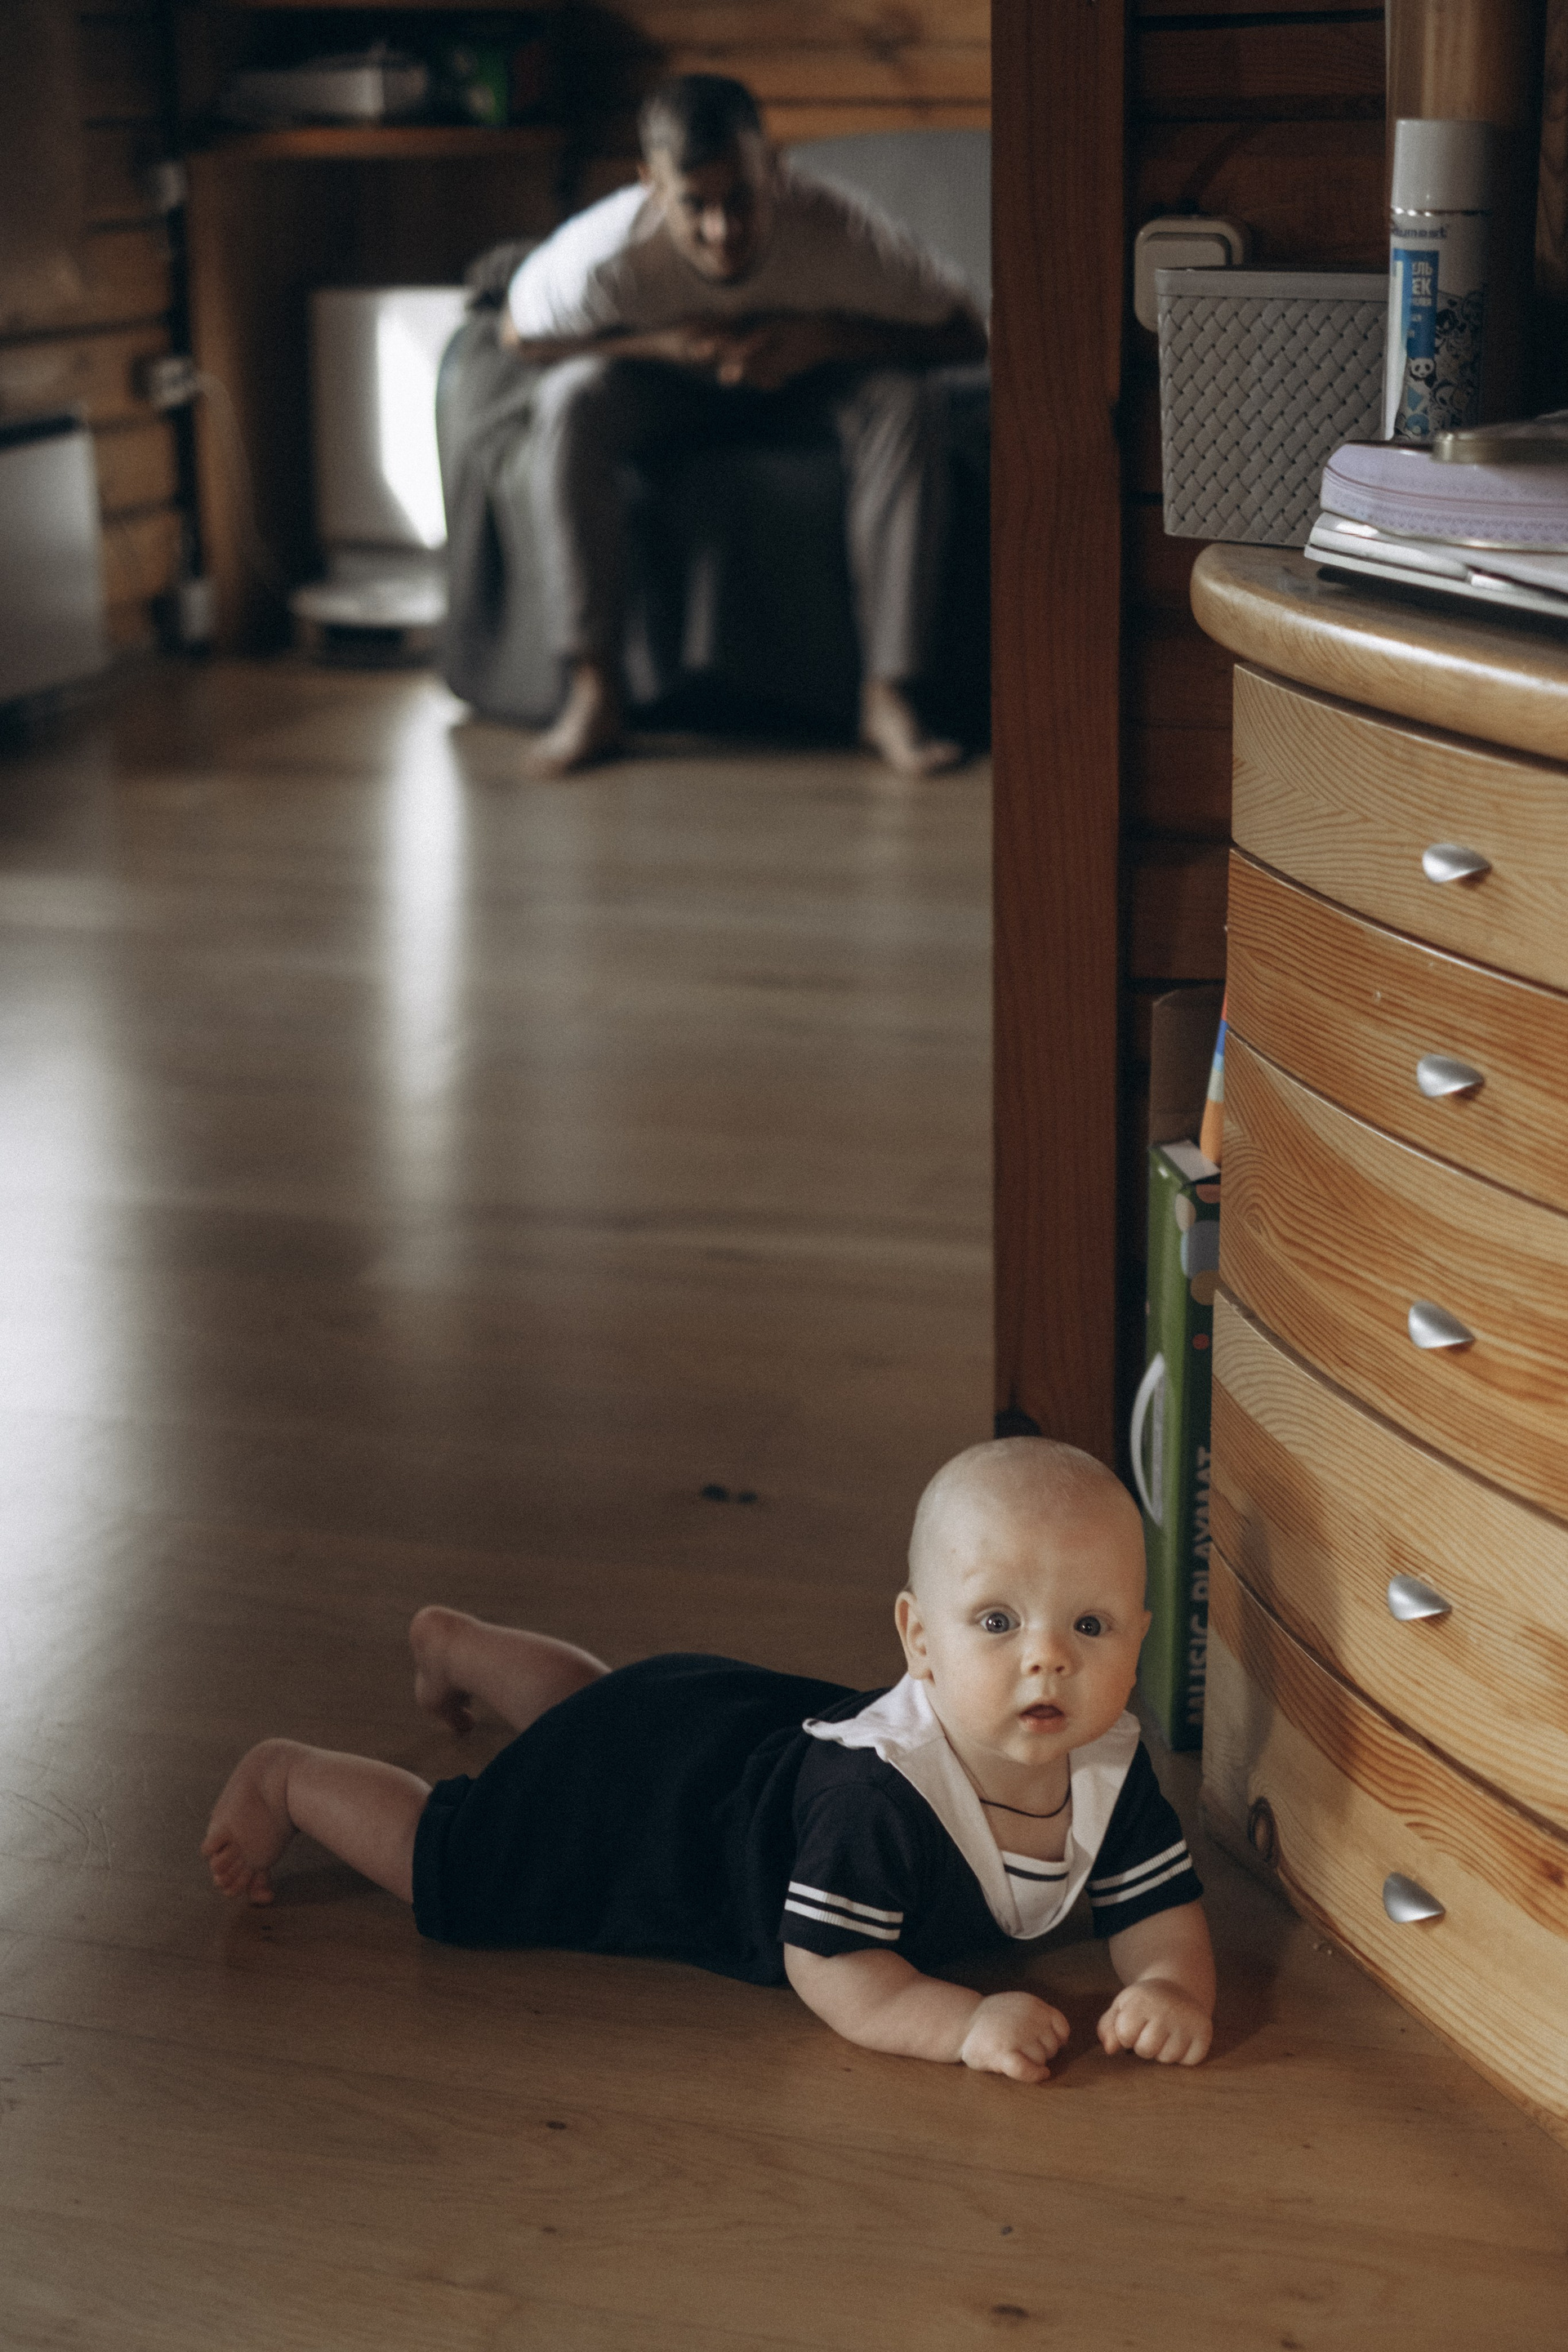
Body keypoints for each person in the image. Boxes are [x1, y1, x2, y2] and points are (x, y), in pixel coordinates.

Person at [203, 1439, 1215, 2082]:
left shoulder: (1104, 1763)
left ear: (1138, 1638)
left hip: (698, 1730)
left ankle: (459, 1646)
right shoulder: (881, 1796)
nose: (1048, 1657)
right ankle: (291, 1776)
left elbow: (1155, 1908)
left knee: (592, 1718)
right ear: (918, 1640)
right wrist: (963, 2025)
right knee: (464, 1863)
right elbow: (831, 1965)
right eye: (996, 1620)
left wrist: (1173, 1986)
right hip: (662, 1822)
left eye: (1089, 1624)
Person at [497, 73, 989, 780]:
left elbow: (968, 334)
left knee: (906, 401)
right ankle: (594, 690)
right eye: (694, 206)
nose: (722, 231)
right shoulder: (600, 258)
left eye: (742, 199)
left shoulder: (843, 232)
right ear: (651, 187)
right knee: (568, 401)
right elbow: (517, 336)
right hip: (667, 381)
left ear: (775, 170)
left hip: (813, 382)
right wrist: (661, 345)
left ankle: (888, 695)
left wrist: (824, 339)